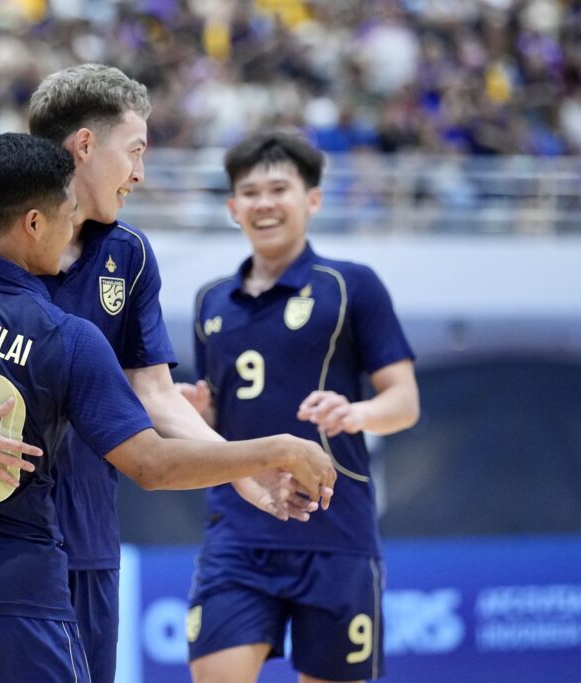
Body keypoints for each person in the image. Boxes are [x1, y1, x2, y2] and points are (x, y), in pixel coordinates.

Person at [0, 63, 325, 683]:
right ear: (85, 146)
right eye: (135, 151)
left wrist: (241, 470)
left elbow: (155, 394)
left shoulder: (129, 254)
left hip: (82, 540)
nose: (140, 173)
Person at [181, 131, 420, 683]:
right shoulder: (210, 301)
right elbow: (218, 424)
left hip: (335, 534)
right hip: (238, 533)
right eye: (250, 192)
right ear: (232, 207)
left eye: (278, 189)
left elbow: (404, 400)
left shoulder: (351, 285)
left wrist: (357, 413)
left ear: (312, 199)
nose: (264, 203)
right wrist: (199, 414)